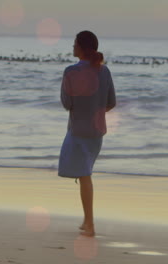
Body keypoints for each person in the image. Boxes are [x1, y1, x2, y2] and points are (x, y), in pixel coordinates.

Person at [58, 30, 116, 237]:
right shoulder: (105, 71)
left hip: (78, 131)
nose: (72, 47)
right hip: (97, 132)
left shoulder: (70, 71)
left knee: (84, 176)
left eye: (75, 44)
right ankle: (86, 221)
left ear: (82, 48)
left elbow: (67, 103)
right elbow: (111, 103)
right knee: (84, 175)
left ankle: (89, 223)